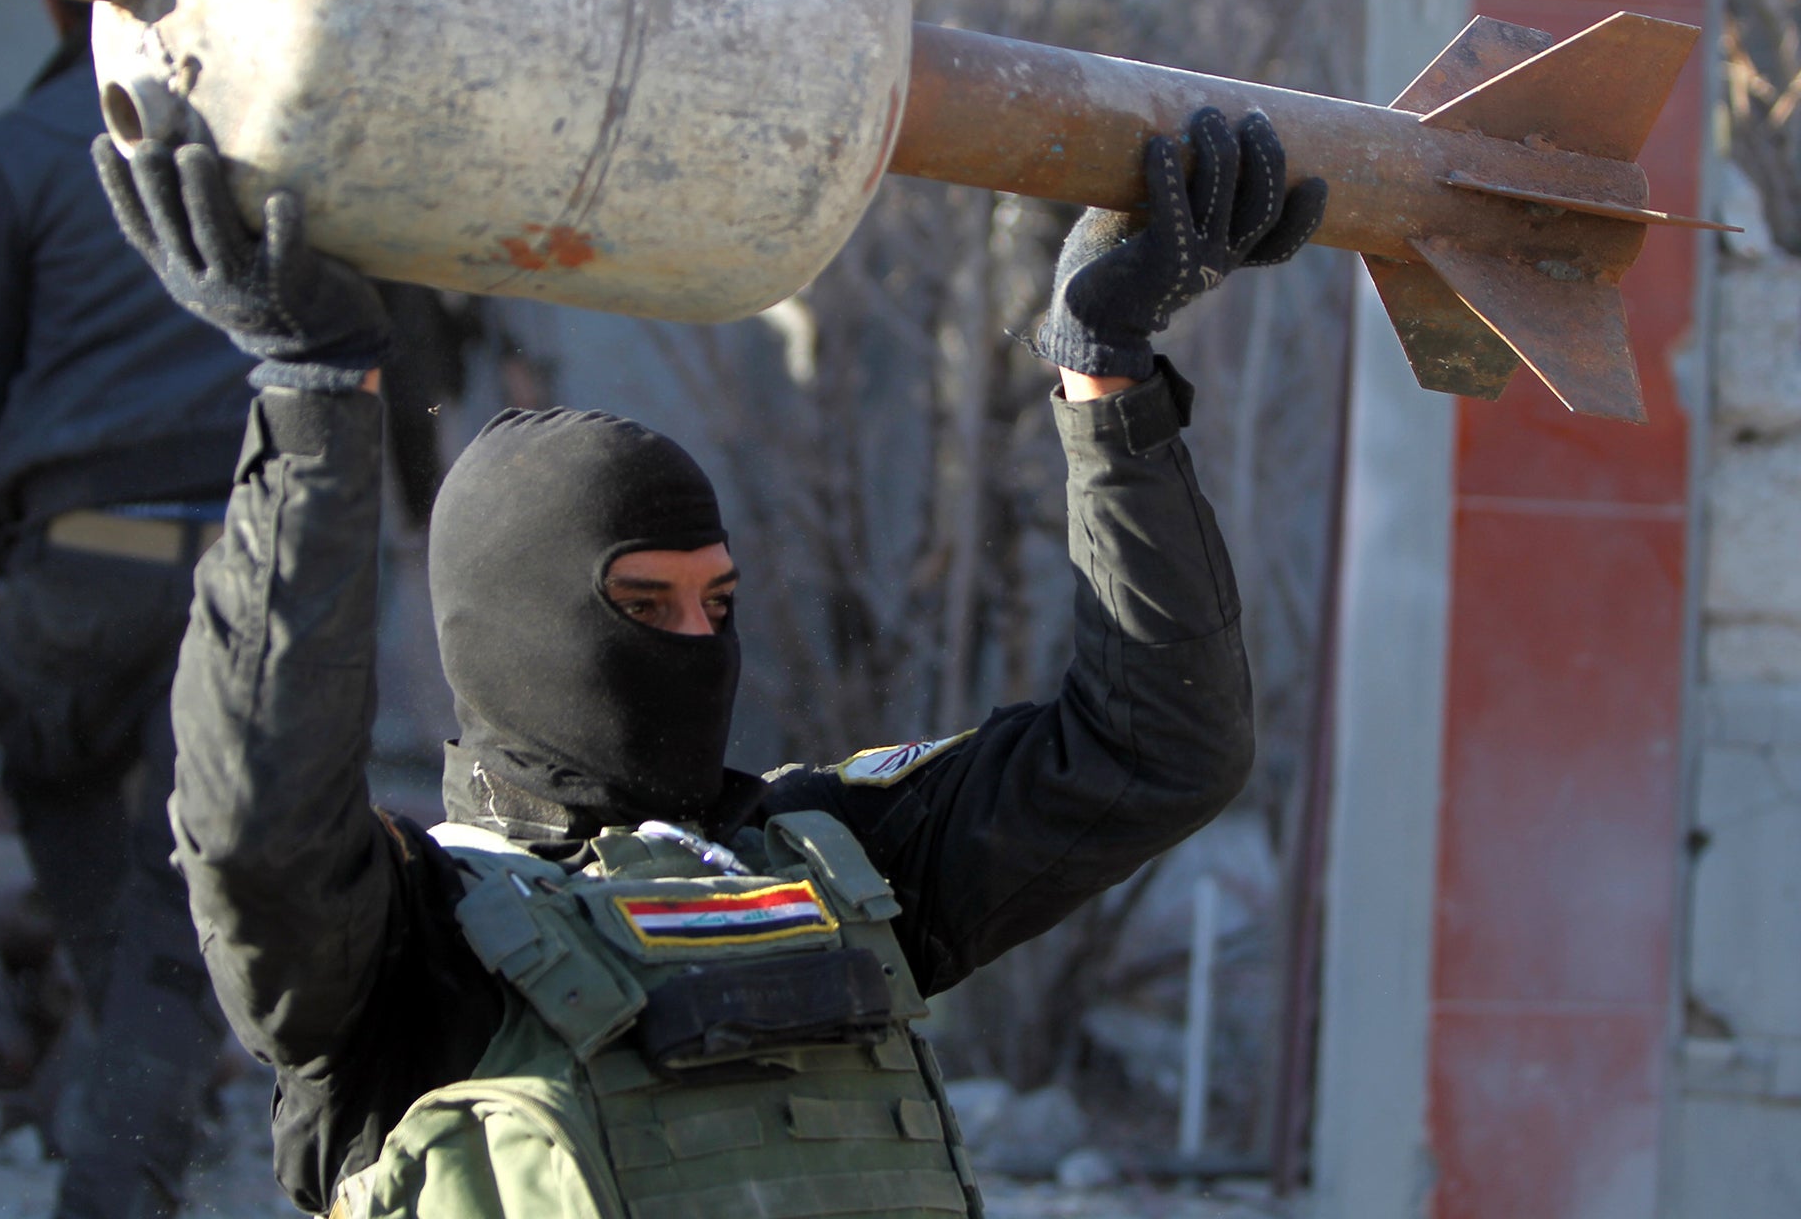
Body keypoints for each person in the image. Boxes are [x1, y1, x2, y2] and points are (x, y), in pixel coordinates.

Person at [91, 105, 1325, 1219]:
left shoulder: (836, 864)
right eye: (641, 603)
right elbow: (256, 823)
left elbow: (1155, 747)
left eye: (716, 602)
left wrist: (1105, 379)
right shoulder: (398, 952)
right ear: (511, 627)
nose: (693, 645)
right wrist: (313, 406)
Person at [0, 0, 256, 1219]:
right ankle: (128, 1092)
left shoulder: (14, 148)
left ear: (60, 2)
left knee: (62, 792)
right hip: (252, 570)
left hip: (77, 559)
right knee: (184, 886)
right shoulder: (270, 150)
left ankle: (115, 1169)